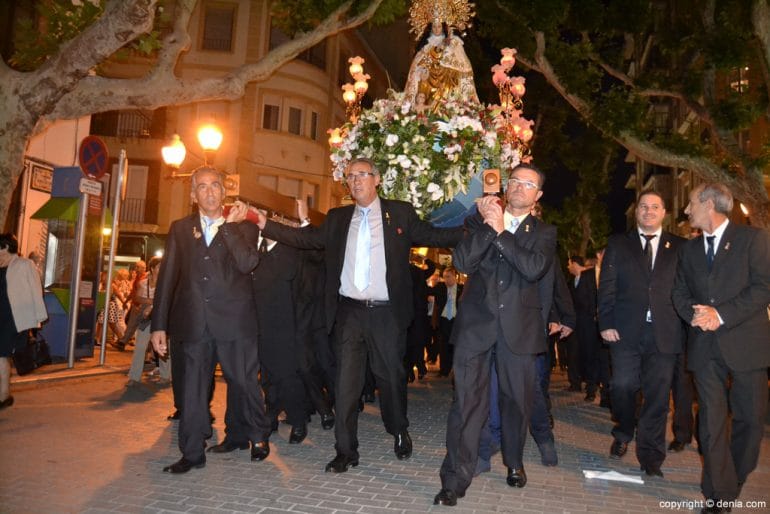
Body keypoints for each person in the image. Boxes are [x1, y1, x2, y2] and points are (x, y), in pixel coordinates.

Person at [248, 156, 463, 473]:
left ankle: (398, 428)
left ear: (377, 179)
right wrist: (265, 224)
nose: (355, 181)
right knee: (345, 384)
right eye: (350, 176)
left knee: (390, 378)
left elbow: (435, 236)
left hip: (386, 314)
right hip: (349, 313)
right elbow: (305, 239)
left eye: (362, 175)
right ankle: (345, 450)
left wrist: (479, 226)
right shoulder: (337, 219)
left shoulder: (398, 213)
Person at [435, 164, 557, 506]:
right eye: (514, 180)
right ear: (505, 186)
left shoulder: (544, 232)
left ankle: (514, 461)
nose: (519, 186)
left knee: (516, 402)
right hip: (476, 326)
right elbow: (462, 262)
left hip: (520, 330)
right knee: (466, 402)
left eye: (528, 183)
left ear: (538, 195)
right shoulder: (478, 221)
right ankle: (455, 478)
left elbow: (533, 268)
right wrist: (489, 226)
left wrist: (502, 231)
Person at [149, 166, 271, 474]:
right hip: (193, 323)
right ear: (193, 195)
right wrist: (159, 325)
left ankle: (258, 435)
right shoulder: (180, 228)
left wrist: (226, 227)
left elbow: (247, 263)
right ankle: (191, 453)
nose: (209, 191)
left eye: (215, 185)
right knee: (192, 389)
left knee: (244, 382)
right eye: (202, 187)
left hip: (235, 320)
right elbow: (168, 278)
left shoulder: (243, 225)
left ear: (224, 190)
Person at [672, 183, 770, 511]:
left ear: (709, 204)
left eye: (690, 204)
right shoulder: (688, 250)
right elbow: (679, 293)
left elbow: (763, 288)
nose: (686, 211)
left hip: (747, 345)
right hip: (704, 347)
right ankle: (719, 494)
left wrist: (721, 314)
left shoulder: (753, 239)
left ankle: (734, 479)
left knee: (750, 421)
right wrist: (695, 316)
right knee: (711, 421)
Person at [598, 190, 685, 478]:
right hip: (624, 331)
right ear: (636, 212)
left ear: (664, 213)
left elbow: (686, 289)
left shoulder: (680, 247)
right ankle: (623, 430)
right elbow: (607, 286)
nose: (649, 211)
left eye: (655, 206)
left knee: (658, 397)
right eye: (644, 206)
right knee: (621, 385)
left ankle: (650, 457)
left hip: (665, 332)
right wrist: (605, 322)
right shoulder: (618, 244)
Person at [250, 232, 309, 443]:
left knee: (287, 377)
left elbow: (288, 273)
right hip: (258, 324)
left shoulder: (286, 251)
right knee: (267, 376)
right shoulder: (254, 250)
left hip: (283, 325)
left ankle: (298, 420)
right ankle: (271, 416)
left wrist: (274, 241)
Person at [0, 234, 48, 410]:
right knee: (2, 355)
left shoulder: (24, 264)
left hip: (13, 318)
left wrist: (38, 317)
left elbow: (36, 290)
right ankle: (4, 395)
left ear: (5, 247)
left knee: (1, 354)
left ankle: (4, 395)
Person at [125, 257, 169, 386]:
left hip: (161, 317)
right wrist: (149, 302)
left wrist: (154, 304)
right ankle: (134, 377)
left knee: (163, 346)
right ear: (152, 268)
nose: (162, 270)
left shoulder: (166, 283)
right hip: (146, 318)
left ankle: (166, 376)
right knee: (140, 347)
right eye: (159, 267)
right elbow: (137, 297)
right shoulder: (143, 283)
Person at [566, 255, 600, 399]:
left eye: (569, 264)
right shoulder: (571, 282)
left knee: (590, 356)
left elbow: (594, 298)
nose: (567, 267)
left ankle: (591, 389)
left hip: (589, 325)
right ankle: (578, 383)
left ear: (574, 264)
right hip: (576, 326)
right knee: (577, 356)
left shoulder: (589, 277)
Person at [431, 266, 463, 377]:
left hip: (456, 321)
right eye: (444, 277)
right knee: (443, 347)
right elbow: (428, 291)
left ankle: (456, 370)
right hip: (444, 320)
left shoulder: (462, 289)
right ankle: (443, 370)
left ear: (455, 276)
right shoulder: (440, 288)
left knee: (456, 346)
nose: (446, 280)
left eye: (448, 277)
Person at [115, 260, 147, 350]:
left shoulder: (145, 278)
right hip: (136, 304)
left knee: (132, 324)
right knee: (131, 324)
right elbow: (133, 292)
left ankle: (123, 342)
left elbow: (142, 293)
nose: (135, 269)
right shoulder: (138, 278)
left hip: (140, 305)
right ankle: (123, 342)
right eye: (136, 267)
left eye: (137, 267)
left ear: (143, 268)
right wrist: (125, 302)